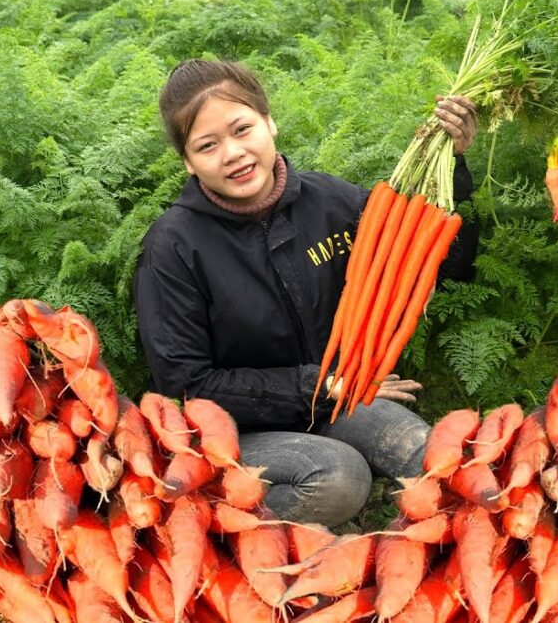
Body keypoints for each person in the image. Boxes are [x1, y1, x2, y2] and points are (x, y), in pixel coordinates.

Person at [134, 59, 479, 528]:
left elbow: (447, 263)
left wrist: (454, 162)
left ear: (269, 122)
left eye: (242, 129)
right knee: (339, 477)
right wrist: (313, 384)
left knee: (420, 450)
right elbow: (185, 383)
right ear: (188, 162)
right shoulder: (174, 247)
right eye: (208, 145)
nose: (232, 153)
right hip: (236, 427)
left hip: (330, 400)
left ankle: (420, 541)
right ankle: (209, 528)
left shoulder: (331, 203)